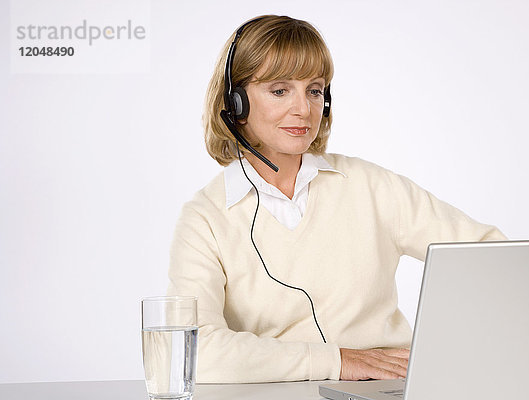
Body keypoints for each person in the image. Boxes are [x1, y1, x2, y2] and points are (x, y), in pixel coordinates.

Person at [166, 14, 506, 384]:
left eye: (314, 90)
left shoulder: (370, 185)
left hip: (388, 388)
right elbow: (193, 351)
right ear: (236, 104)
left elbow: (492, 258)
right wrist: (338, 361)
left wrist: (449, 347)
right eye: (280, 90)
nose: (303, 109)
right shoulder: (205, 218)